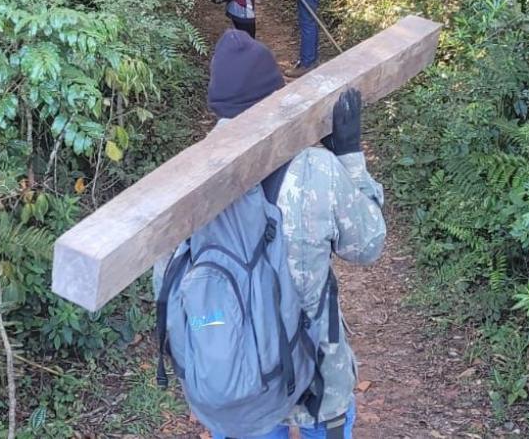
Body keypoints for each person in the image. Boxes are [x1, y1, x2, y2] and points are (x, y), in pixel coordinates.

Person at [158, 30, 386, 439]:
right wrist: (349, 156)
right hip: (318, 375)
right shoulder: (315, 168)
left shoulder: (183, 183)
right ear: (274, 99)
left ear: (217, 104)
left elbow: (168, 283)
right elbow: (370, 246)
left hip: (241, 381)